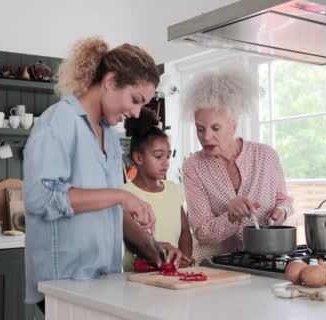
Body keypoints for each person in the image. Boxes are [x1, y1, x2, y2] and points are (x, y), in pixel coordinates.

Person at [23, 37, 181, 314]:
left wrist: (152, 248)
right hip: (64, 285)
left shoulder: (108, 135)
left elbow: (111, 208)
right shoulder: (58, 121)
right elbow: (41, 198)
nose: (134, 112)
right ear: (110, 81)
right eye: (135, 100)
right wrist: (122, 196)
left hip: (104, 282)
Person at [181, 69, 293, 263]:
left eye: (215, 128)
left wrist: (282, 211)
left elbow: (284, 201)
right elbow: (201, 232)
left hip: (266, 260)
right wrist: (230, 217)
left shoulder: (266, 156)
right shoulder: (194, 166)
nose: (206, 137)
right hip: (215, 266)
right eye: (200, 129)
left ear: (233, 125)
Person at [121, 108, 195, 271]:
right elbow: (132, 240)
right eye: (158, 156)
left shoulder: (172, 189)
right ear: (138, 157)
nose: (165, 162)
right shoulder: (125, 195)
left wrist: (184, 260)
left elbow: (184, 232)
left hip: (173, 273)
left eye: (168, 156)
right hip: (139, 277)